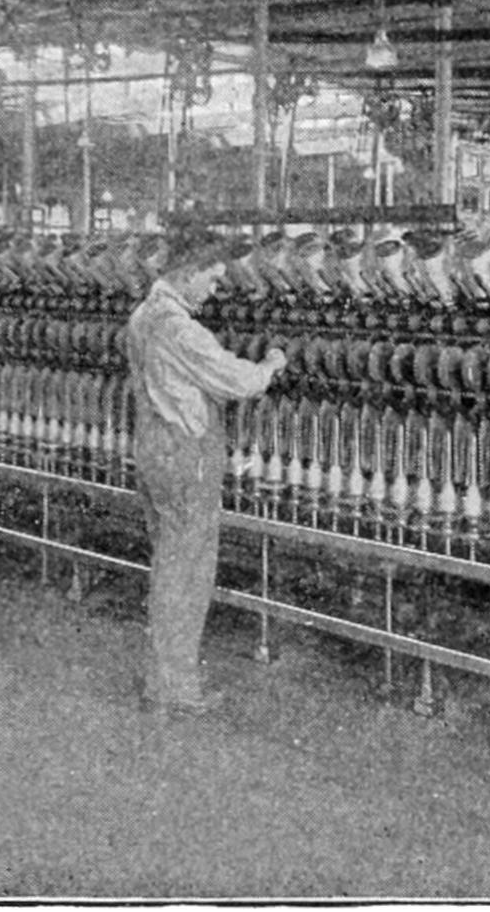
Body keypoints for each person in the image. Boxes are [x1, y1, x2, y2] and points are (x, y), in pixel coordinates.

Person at [124, 231, 287, 716]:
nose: (215, 290)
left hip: (153, 449)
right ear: (188, 272)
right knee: (188, 574)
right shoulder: (178, 328)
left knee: (170, 565)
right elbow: (236, 379)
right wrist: (271, 364)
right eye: (212, 280)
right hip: (185, 456)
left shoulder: (142, 316)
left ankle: (163, 678)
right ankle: (174, 687)